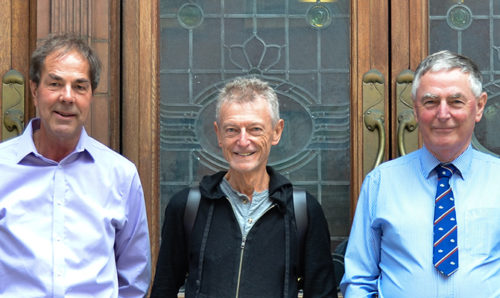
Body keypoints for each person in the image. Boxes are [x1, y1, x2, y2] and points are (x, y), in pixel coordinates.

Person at [151, 77, 335, 297]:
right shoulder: (188, 207)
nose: (243, 140)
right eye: (232, 130)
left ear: (277, 132)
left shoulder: (302, 211)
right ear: (218, 134)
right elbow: (164, 290)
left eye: (255, 129)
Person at [0, 34, 151, 297]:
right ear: (35, 91)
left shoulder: (120, 175)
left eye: (80, 87)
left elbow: (133, 279)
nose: (67, 97)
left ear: (91, 95)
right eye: (55, 84)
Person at [340, 50, 500, 297]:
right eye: (431, 102)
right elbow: (359, 279)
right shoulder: (381, 183)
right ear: (415, 111)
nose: (443, 114)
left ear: (479, 107)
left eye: (456, 101)